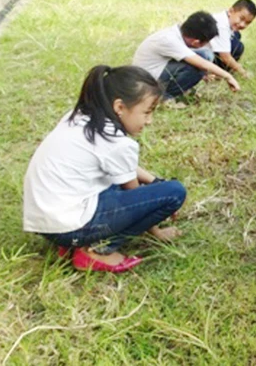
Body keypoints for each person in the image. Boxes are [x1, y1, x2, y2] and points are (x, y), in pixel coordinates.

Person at [23, 65, 186, 273]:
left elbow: (121, 166)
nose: (149, 121)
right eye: (146, 112)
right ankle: (98, 249)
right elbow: (136, 194)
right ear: (119, 107)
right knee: (174, 192)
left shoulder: (81, 117)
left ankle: (71, 244)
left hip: (49, 221)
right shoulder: (117, 143)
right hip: (69, 224)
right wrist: (157, 230)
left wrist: (154, 181)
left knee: (124, 184)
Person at [132, 11, 241, 100]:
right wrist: (228, 76)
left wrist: (205, 76)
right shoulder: (170, 40)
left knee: (205, 55)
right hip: (146, 84)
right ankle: (164, 98)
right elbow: (202, 64)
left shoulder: (177, 33)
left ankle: (180, 91)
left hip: (156, 71)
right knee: (199, 65)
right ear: (196, 42)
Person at [210, 0, 256, 76]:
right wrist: (243, 72)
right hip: (199, 54)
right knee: (238, 47)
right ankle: (217, 71)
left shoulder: (225, 17)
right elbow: (225, 56)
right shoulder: (222, 26)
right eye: (241, 18)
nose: (242, 25)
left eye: (247, 23)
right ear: (231, 11)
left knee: (237, 35)